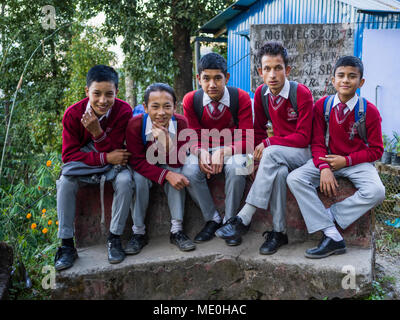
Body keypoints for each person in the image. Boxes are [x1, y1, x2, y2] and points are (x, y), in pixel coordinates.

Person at [215, 42, 314, 255]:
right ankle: (279, 232)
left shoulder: (301, 94)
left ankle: (244, 216)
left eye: (278, 68)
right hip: (277, 156)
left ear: (287, 70)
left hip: (303, 153)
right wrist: (252, 163)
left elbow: (303, 137)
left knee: (270, 151)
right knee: (277, 173)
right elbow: (257, 134)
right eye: (267, 68)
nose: (273, 74)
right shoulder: (261, 94)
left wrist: (270, 143)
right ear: (260, 72)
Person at [287, 56, 385, 259]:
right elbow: (316, 142)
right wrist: (323, 167)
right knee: (295, 178)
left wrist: (347, 161)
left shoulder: (369, 112)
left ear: (361, 82)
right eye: (341, 75)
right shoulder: (322, 106)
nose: (346, 80)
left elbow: (376, 150)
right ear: (333, 80)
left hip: (356, 161)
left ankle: (329, 217)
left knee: (377, 191)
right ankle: (332, 235)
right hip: (328, 159)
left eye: (352, 76)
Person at [55, 65, 133, 270]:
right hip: (87, 163)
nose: (103, 100)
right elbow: (69, 156)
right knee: (65, 181)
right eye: (96, 93)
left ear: (117, 92)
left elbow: (119, 150)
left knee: (125, 180)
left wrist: (98, 134)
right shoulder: (73, 114)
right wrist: (105, 156)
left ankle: (114, 238)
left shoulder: (124, 111)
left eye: (109, 94)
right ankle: (66, 244)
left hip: (110, 166)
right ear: (86, 91)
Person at [181, 52, 253, 246]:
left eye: (217, 78)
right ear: (199, 79)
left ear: (226, 78)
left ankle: (231, 222)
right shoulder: (190, 100)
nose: (212, 84)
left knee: (239, 167)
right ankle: (212, 219)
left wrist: (224, 151)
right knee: (188, 170)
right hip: (205, 148)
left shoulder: (242, 97)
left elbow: (249, 139)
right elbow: (191, 136)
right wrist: (201, 152)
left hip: (236, 149)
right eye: (206, 78)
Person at [125, 83, 195, 253]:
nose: (161, 113)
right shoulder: (135, 125)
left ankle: (177, 230)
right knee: (139, 180)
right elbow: (137, 161)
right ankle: (138, 232)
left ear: (175, 106)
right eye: (155, 107)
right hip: (144, 167)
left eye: (167, 106)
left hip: (170, 162)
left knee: (178, 174)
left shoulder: (180, 123)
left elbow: (178, 161)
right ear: (145, 108)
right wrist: (165, 175)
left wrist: (166, 143)